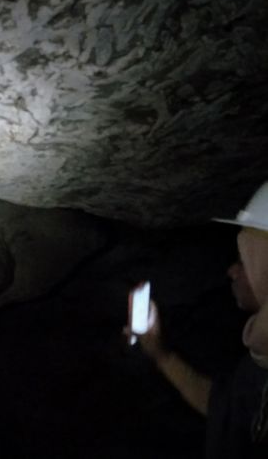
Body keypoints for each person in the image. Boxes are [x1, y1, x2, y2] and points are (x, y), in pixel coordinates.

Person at [132, 181, 268, 457]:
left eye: (244, 259)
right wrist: (161, 354)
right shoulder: (260, 358)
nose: (232, 270)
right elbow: (227, 409)